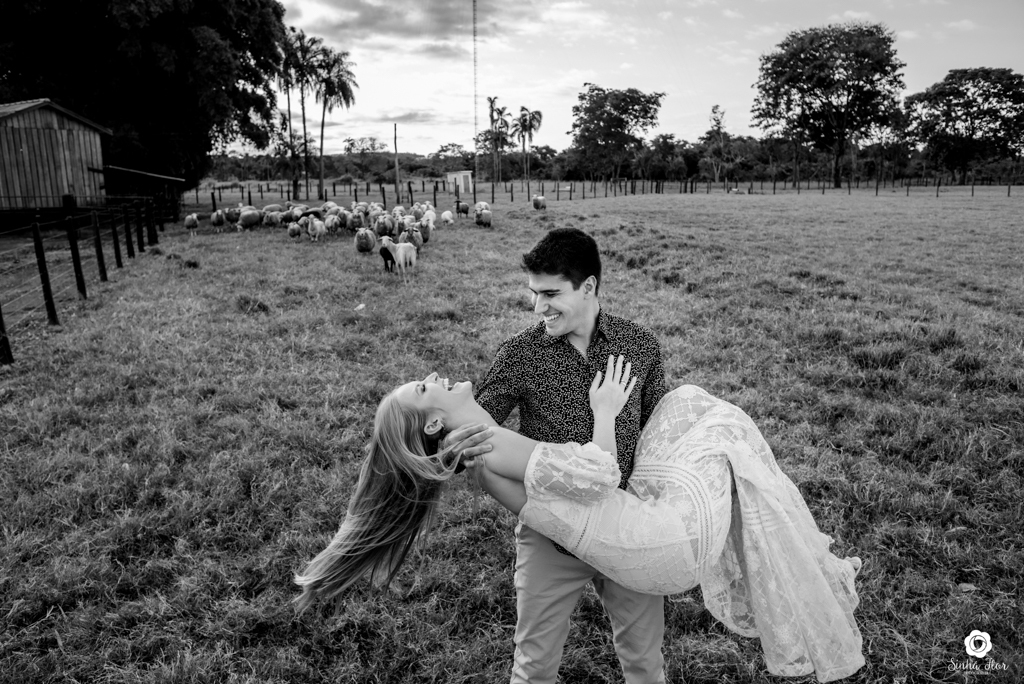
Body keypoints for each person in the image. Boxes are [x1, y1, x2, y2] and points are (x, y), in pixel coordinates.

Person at [293, 358, 865, 683]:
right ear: (435, 423)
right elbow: (597, 478)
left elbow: (573, 496)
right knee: (704, 413)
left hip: (645, 548)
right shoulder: (489, 446)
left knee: (713, 432)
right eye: (424, 388)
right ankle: (804, 566)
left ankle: (797, 560)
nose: (435, 375)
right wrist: (605, 411)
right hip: (662, 543)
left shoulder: (482, 453)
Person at [460, 227, 669, 684]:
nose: (539, 307)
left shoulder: (640, 347)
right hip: (549, 532)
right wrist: (446, 444)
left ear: (588, 286)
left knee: (645, 664)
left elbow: (659, 436)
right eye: (534, 293)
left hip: (626, 530)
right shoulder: (520, 353)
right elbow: (479, 427)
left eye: (551, 293)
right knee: (534, 667)